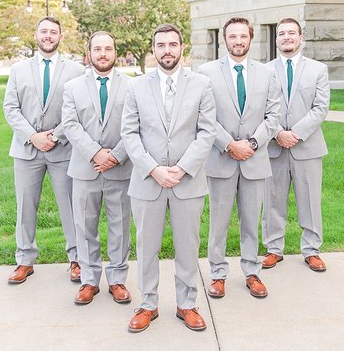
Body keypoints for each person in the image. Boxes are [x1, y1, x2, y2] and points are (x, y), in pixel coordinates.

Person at [121, 24, 216, 333]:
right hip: (148, 181)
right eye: (160, 45)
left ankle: (187, 304)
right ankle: (148, 304)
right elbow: (130, 134)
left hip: (187, 181)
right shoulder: (136, 87)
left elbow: (206, 132)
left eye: (172, 44)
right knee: (146, 246)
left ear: (181, 48)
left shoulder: (201, 85)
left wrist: (182, 168)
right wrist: (153, 169)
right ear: (153, 49)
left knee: (188, 245)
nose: (167, 50)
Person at [199, 17, 280, 299]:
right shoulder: (206, 73)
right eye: (232, 36)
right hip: (221, 160)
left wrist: (253, 143)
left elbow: (274, 116)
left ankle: (251, 271)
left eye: (242, 36)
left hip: (255, 160)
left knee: (251, 221)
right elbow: (204, 117)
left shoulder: (267, 74)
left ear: (250, 38)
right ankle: (218, 274)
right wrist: (229, 144)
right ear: (225, 40)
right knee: (218, 223)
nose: (238, 41)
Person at [3, 16, 85, 285]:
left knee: (71, 207)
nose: (48, 36)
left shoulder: (75, 70)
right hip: (27, 150)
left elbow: (78, 110)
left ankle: (76, 259)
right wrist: (33, 136)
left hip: (63, 150)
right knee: (26, 207)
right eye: (44, 31)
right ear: (36, 35)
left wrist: (55, 135)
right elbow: (11, 109)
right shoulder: (18, 69)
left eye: (53, 32)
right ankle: (25, 260)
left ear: (61, 37)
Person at [59, 31, 133, 306]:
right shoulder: (73, 87)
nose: (103, 54)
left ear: (116, 52)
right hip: (85, 168)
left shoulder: (132, 86)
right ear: (88, 53)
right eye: (97, 49)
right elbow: (70, 125)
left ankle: (117, 279)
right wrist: (95, 153)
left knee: (120, 226)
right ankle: (89, 280)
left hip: (120, 168)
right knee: (85, 226)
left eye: (108, 49)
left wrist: (116, 155)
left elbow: (137, 126)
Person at [262, 18, 330, 273]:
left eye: (291, 33)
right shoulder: (264, 70)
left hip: (308, 147)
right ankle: (273, 249)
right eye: (281, 33)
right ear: (276, 39)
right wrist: (278, 132)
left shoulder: (318, 70)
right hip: (274, 146)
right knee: (272, 200)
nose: (286, 37)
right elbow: (261, 107)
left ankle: (312, 250)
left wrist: (296, 134)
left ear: (301, 38)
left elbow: (320, 108)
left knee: (310, 200)